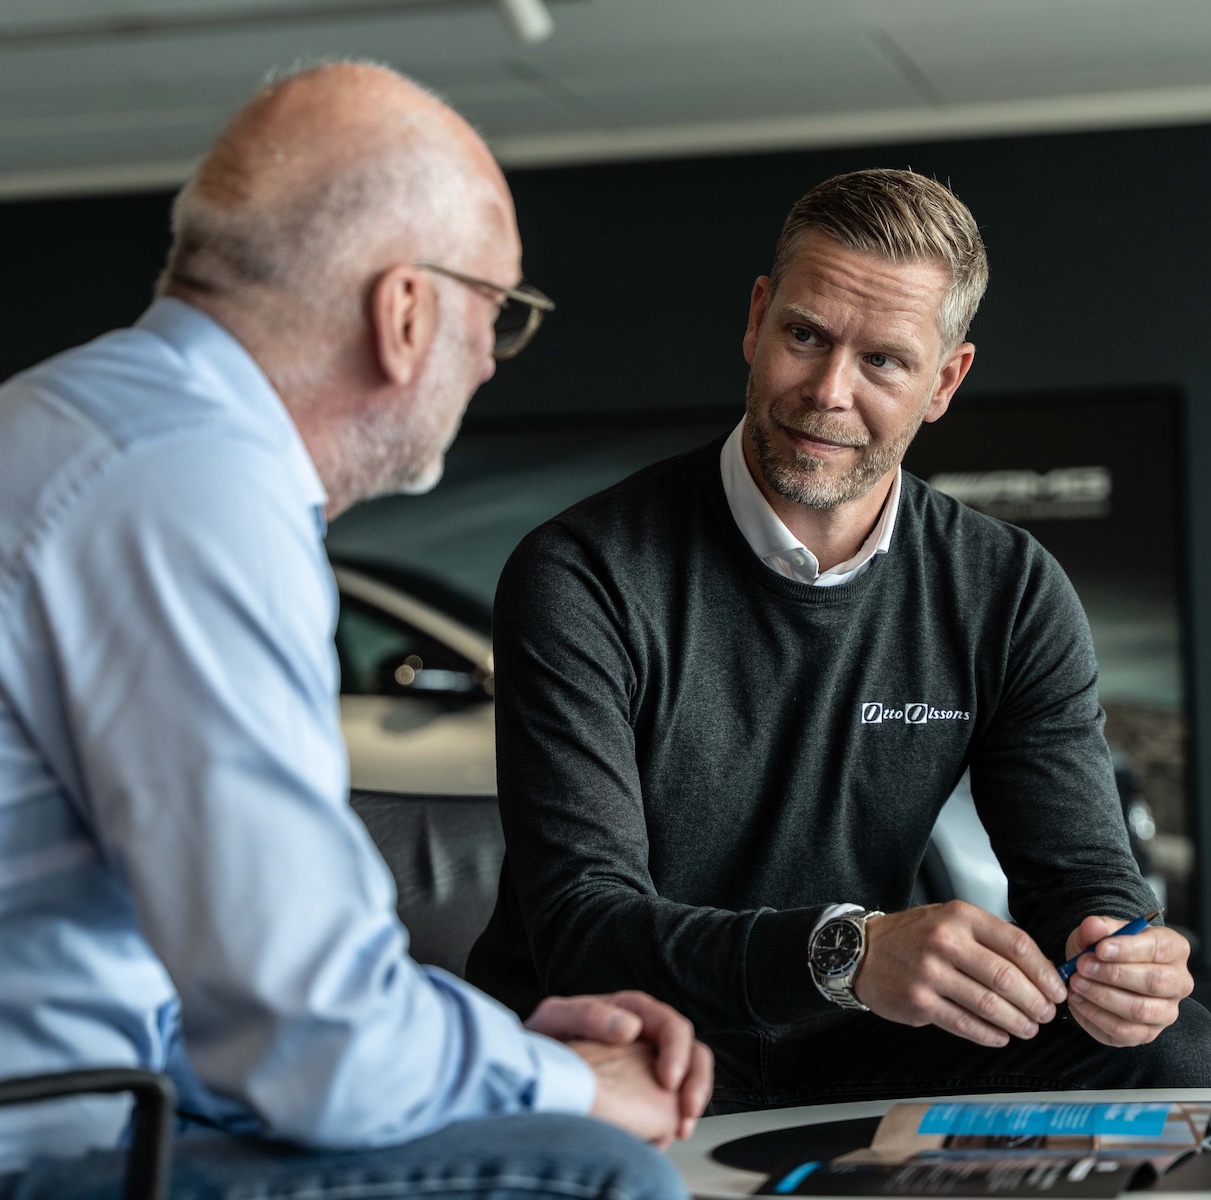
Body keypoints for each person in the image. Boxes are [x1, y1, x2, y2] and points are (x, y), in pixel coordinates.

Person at [0, 63, 711, 1196]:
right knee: (595, 1171)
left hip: (111, 1084)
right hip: (48, 1145)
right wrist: (567, 1083)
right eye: (496, 311)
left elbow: (243, 989)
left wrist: (498, 1052)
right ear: (406, 311)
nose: (491, 356)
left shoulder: (71, 419)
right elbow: (309, 1040)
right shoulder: (194, 490)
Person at [465, 168, 1211, 1111]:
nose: (827, 391)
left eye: (884, 361)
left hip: (855, 1035)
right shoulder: (581, 571)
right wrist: (847, 952)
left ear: (944, 381)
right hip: (621, 1029)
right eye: (805, 336)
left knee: (1176, 1052)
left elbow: (1078, 876)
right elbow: (583, 925)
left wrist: (1117, 953)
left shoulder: (1008, 588)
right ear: (757, 320)